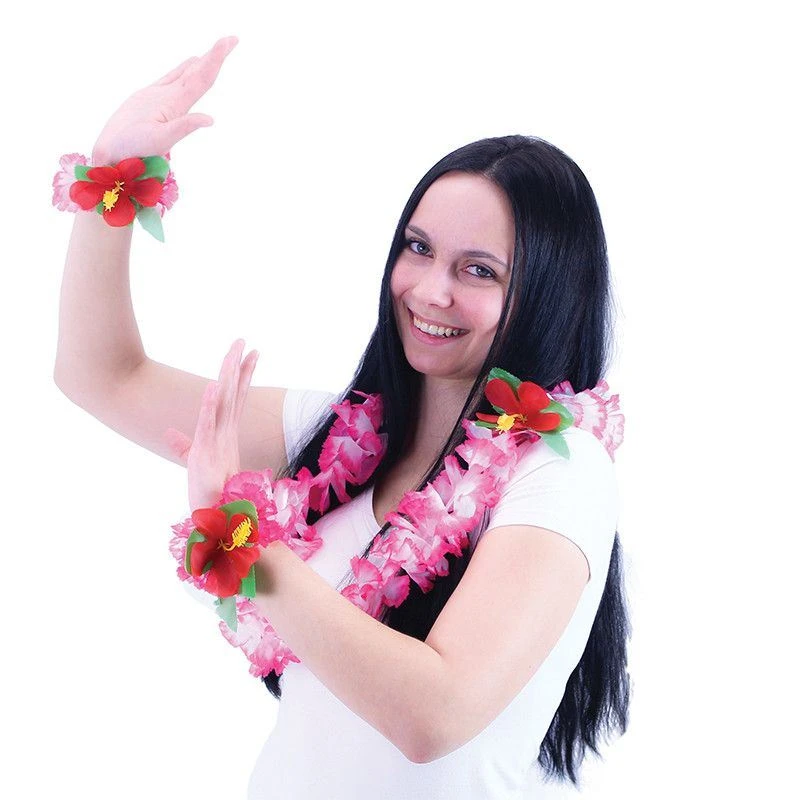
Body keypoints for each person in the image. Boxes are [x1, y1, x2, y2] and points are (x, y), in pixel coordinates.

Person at [54, 36, 630, 799]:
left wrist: (247, 543)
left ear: (549, 293)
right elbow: (102, 375)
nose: (429, 289)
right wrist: (114, 171)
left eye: (478, 270)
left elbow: (435, 713)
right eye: (418, 248)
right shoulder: (335, 433)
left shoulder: (563, 471)